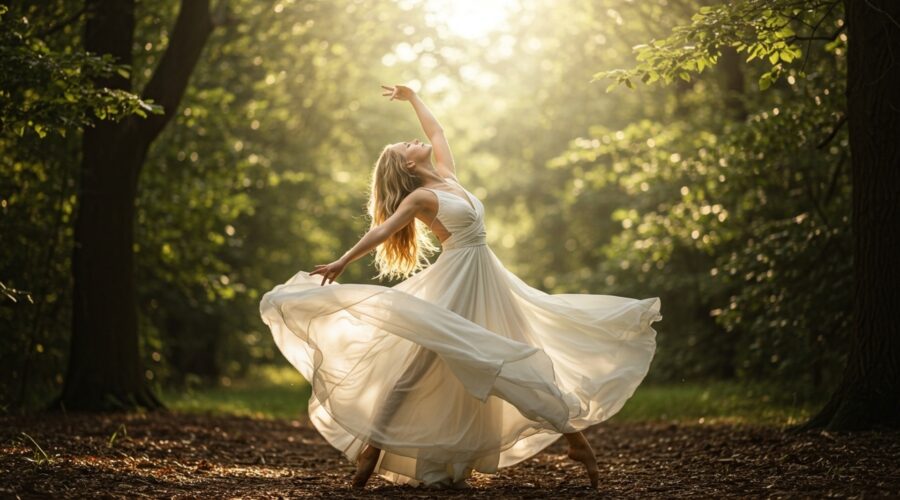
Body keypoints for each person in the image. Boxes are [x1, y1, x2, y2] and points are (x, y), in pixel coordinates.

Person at [259, 84, 662, 490]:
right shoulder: (420, 198)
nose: (412, 140)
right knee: (418, 366)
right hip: (456, 283)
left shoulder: (448, 177)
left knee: (520, 351)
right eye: (405, 145)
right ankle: (373, 448)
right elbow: (382, 229)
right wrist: (345, 260)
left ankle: (573, 438)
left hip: (489, 280)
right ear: (408, 166)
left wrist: (414, 97)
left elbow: (438, 134)